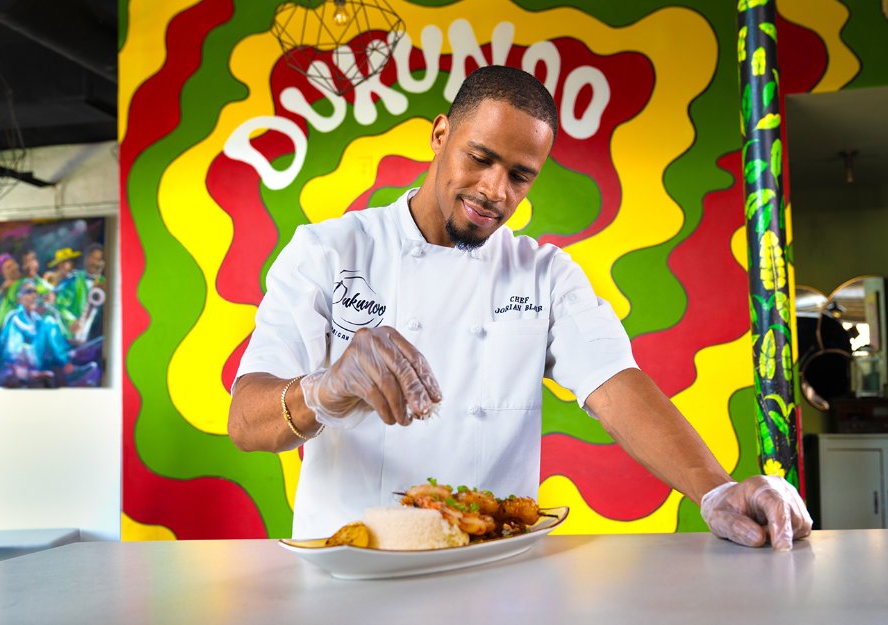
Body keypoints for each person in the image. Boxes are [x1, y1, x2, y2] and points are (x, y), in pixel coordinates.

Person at [228, 65, 812, 550]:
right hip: (349, 570)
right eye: (479, 158)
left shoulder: (544, 275)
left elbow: (616, 384)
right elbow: (244, 423)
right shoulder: (328, 252)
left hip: (487, 572)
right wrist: (324, 389)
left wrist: (713, 490)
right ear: (439, 137)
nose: (495, 191)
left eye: (519, 176)